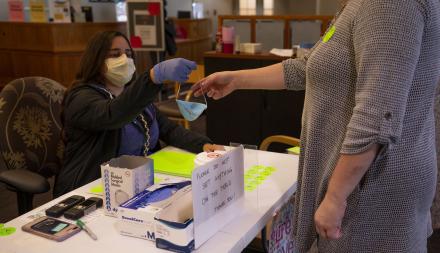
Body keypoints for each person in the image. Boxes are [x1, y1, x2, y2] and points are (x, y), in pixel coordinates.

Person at [192, 0, 440, 252]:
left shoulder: (388, 4)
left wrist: (335, 196)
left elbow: (376, 116)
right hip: (358, 183)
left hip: (370, 190)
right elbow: (308, 68)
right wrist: (235, 79)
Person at [53, 31, 221, 197]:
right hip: (90, 191)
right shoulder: (80, 97)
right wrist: (153, 77)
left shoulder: (132, 94)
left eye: (128, 53)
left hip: (137, 184)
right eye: (115, 54)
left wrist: (202, 145)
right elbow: (113, 114)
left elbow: (167, 128)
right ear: (96, 59)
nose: (124, 59)